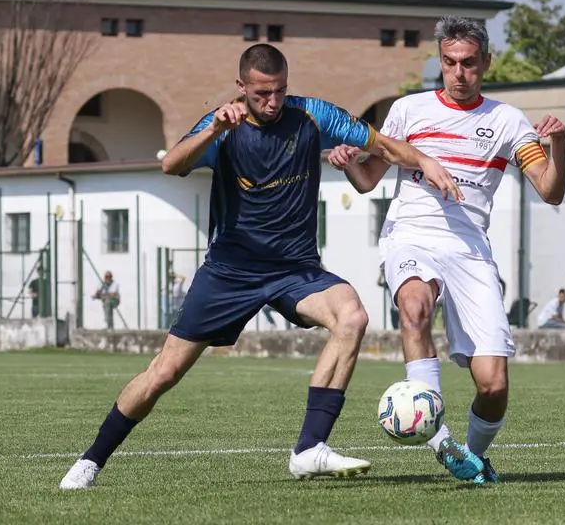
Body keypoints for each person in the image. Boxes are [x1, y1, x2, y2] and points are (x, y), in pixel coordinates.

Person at [58, 43, 460, 490]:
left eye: (280, 91)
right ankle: (91, 461)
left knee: (353, 316)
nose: (272, 102)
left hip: (296, 270)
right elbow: (173, 164)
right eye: (262, 94)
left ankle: (309, 449)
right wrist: (212, 130)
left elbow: (381, 144)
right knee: (164, 373)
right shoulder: (223, 126)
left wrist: (425, 160)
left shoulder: (311, 115)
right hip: (230, 273)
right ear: (241, 88)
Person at [328, 15, 565, 485]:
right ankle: (436, 435)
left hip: (470, 250)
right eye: (450, 63)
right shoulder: (407, 110)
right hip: (411, 234)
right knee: (414, 307)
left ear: (486, 63)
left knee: (493, 386)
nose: (459, 73)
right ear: (440, 61)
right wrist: (345, 164)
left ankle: (467, 459)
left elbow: (550, 190)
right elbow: (368, 179)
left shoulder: (506, 121)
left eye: (470, 64)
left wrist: (558, 145)